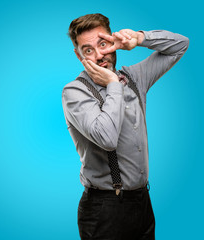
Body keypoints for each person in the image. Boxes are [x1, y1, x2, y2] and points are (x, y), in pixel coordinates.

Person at [62, 13, 189, 240]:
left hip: (142, 202)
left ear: (112, 40)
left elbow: (180, 45)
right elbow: (107, 138)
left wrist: (140, 39)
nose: (100, 55)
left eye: (103, 43)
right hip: (104, 209)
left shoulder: (134, 77)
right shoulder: (74, 92)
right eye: (88, 50)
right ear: (79, 56)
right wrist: (113, 84)